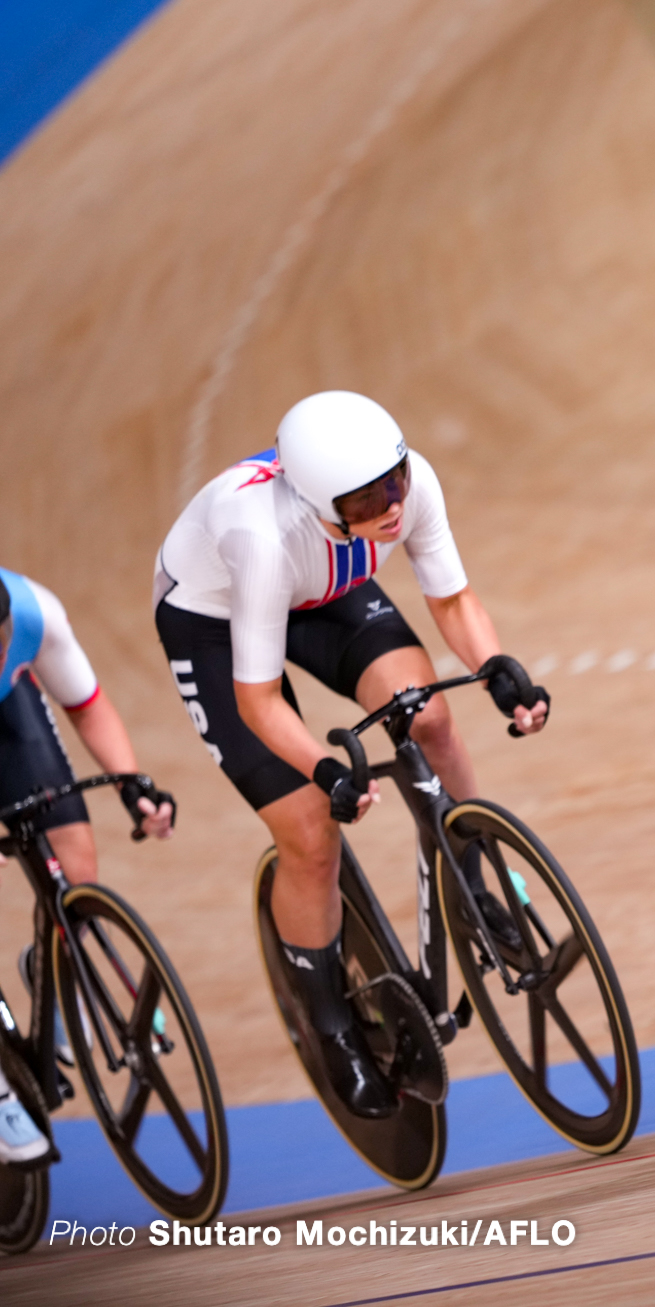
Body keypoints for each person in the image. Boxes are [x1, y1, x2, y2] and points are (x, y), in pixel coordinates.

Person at [153, 391, 548, 1119]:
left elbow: (453, 601)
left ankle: (473, 875)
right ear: (314, 505)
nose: (390, 509)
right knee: (309, 830)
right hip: (214, 620)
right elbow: (259, 702)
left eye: (393, 483)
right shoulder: (262, 539)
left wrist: (498, 666)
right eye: (365, 502)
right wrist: (326, 769)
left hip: (324, 585)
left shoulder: (405, 488)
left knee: (429, 713)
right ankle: (329, 1021)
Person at [0, 569, 174, 1165]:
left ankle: (52, 963)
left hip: (10, 711)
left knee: (75, 861)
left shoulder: (34, 613)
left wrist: (132, 785)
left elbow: (87, 706)